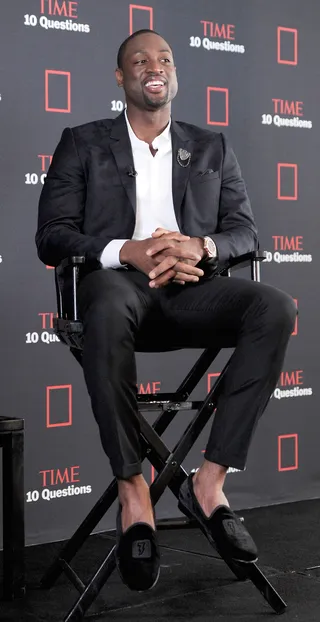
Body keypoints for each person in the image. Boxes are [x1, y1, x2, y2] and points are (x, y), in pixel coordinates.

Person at [36, 29, 297, 591]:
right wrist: (121, 251)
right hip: (118, 294)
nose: (154, 67)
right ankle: (134, 493)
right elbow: (51, 236)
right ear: (120, 77)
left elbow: (244, 232)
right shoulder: (82, 143)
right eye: (139, 60)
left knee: (274, 307)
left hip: (191, 290)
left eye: (164, 60)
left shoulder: (211, 146)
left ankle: (210, 483)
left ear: (174, 73)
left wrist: (197, 248)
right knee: (103, 295)